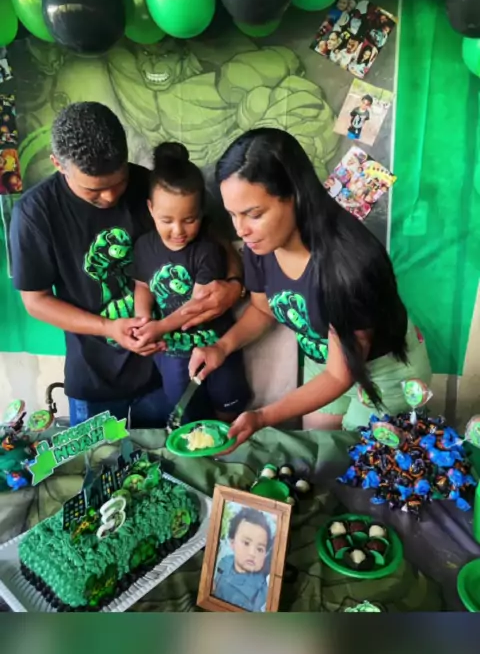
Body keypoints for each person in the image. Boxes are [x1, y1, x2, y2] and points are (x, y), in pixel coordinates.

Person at [189, 127, 431, 450]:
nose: (241, 229)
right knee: (320, 452)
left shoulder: (349, 266)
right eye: (233, 215)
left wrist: (261, 417)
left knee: (360, 463)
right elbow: (263, 309)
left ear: (295, 195)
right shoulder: (261, 246)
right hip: (326, 357)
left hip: (384, 372)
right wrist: (222, 347)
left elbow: (339, 375)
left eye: (253, 214)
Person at [10, 102, 243, 428]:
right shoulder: (35, 213)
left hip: (167, 372)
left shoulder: (150, 185)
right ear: (58, 165)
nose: (109, 197)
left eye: (118, 181)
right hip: (96, 382)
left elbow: (213, 236)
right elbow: (35, 301)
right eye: (94, 190)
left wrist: (233, 283)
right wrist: (107, 328)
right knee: (101, 459)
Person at [132, 142, 251, 423]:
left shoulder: (207, 249)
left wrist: (159, 327)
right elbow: (143, 285)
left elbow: (198, 305)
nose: (178, 231)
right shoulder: (144, 247)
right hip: (174, 352)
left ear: (201, 211)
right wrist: (142, 320)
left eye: (189, 219)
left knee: (228, 406)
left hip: (215, 343)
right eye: (166, 220)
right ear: (150, 209)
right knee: (185, 415)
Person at [213, 507, 272, 612]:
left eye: (260, 549)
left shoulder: (261, 587)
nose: (252, 553)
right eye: (246, 543)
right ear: (232, 543)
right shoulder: (224, 561)